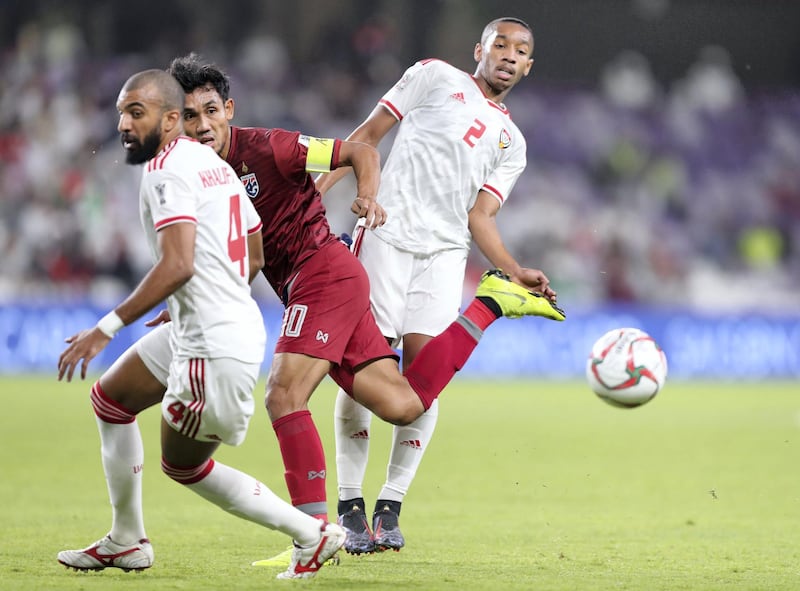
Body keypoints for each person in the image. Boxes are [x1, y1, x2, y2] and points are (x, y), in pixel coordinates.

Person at [166, 53, 565, 566]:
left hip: (326, 275)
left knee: (285, 395)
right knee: (403, 404)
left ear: (229, 110)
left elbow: (361, 150)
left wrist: (367, 196)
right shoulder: (198, 173)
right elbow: (247, 253)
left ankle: (313, 535)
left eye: (211, 112)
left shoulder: (267, 145)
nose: (203, 126)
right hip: (316, 281)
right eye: (190, 116)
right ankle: (490, 304)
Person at [55, 68, 345, 580]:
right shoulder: (214, 164)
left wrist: (106, 326)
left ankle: (311, 532)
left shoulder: (167, 169)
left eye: (135, 112)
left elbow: (177, 265)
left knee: (183, 466)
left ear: (170, 120)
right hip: (211, 322)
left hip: (213, 345)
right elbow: (252, 248)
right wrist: (202, 295)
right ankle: (127, 540)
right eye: (121, 111)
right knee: (111, 400)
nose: (123, 123)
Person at [313, 16, 546, 553]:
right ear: (479, 50)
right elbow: (364, 139)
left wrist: (514, 270)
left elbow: (480, 218)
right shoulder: (434, 76)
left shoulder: (514, 142)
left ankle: (390, 505)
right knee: (362, 370)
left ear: (529, 66)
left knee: (424, 383)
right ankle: (350, 505)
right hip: (383, 238)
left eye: (521, 51)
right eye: (501, 45)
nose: (509, 55)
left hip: (442, 258)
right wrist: (315, 192)